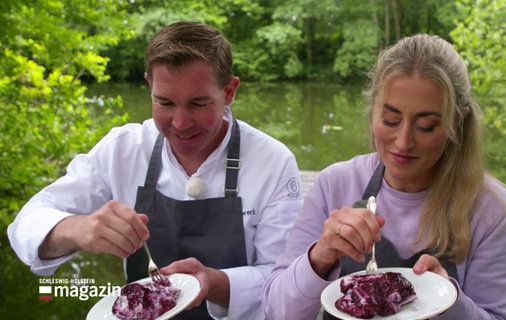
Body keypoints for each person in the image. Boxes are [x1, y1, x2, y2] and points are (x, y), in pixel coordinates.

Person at [8, 21, 303, 319]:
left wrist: (213, 283)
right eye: (164, 102)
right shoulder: (123, 148)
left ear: (229, 91)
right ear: (149, 84)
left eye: (198, 103)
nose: (180, 123)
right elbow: (26, 224)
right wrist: (76, 228)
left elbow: (286, 281)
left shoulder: (272, 162)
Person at [262, 34, 506, 319]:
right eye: (391, 120)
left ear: (456, 123)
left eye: (426, 126)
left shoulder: (491, 208)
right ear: (373, 110)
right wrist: (319, 257)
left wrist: (449, 302)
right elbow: (277, 311)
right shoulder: (335, 184)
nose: (403, 141)